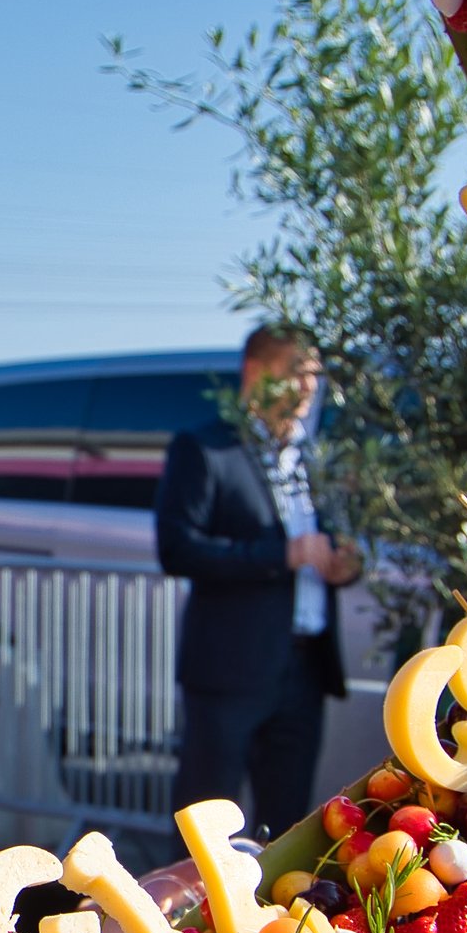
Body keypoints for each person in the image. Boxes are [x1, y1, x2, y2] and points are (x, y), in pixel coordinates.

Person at [157, 321, 360, 845]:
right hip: (230, 669)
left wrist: (345, 564)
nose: (307, 386)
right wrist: (282, 554)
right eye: (296, 371)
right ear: (256, 372)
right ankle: (188, 926)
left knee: (287, 828)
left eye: (313, 373)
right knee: (205, 824)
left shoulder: (313, 458)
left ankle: (272, 924)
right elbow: (177, 548)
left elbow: (333, 539)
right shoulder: (205, 449)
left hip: (304, 668)